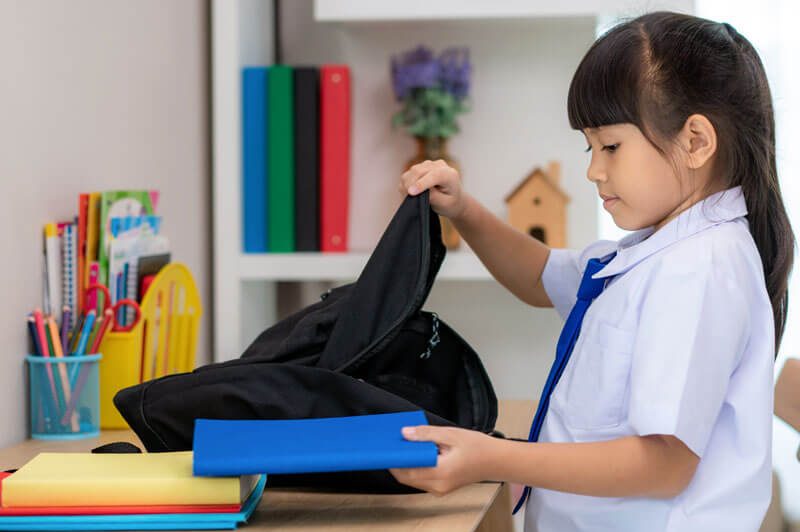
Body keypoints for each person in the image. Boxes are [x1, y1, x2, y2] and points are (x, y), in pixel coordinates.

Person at [390, 11, 795, 531]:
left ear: (696, 141)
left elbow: (665, 464)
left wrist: (491, 457)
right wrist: (463, 210)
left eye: (610, 146)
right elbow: (540, 277)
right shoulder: (659, 247)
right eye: (589, 147)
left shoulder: (700, 269)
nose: (592, 170)